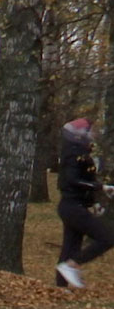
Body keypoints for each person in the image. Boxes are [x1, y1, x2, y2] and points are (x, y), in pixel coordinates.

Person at [55, 119, 114, 288]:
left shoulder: (82, 153)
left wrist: (95, 199)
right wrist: (100, 187)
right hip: (72, 207)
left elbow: (85, 181)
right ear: (80, 134)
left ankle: (61, 288)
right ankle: (72, 266)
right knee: (107, 238)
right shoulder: (74, 154)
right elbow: (73, 180)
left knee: (70, 247)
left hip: (73, 206)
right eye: (90, 131)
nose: (93, 134)